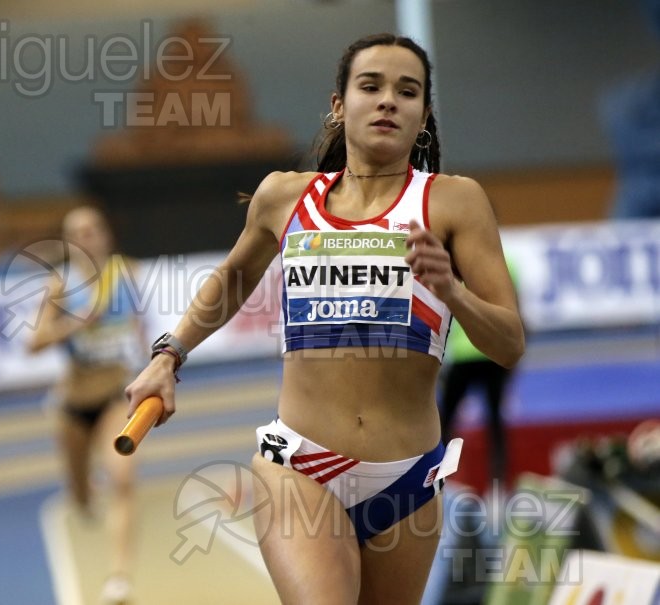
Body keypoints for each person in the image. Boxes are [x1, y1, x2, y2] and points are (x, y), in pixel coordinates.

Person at [125, 33, 524, 604]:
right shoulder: (285, 197)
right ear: (338, 105)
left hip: (406, 479)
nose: (388, 100)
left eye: (407, 91)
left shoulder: (454, 202)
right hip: (301, 467)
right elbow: (235, 278)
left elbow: (509, 342)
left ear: (424, 115)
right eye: (371, 86)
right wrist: (168, 355)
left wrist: (451, 293)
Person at [28, 204, 143, 605]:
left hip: (115, 396)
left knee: (123, 480)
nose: (87, 236)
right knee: (81, 499)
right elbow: (34, 344)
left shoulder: (127, 272)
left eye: (93, 228)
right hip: (73, 407)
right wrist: (78, 323)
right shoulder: (60, 285)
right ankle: (82, 490)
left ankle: (119, 578)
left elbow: (140, 325)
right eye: (77, 231)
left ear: (106, 234)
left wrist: (150, 368)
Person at [439, 260, 519, 488]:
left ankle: (442, 479)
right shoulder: (506, 263)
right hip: (491, 354)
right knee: (495, 421)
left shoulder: (452, 262)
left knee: (446, 422)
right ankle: (499, 482)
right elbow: (516, 313)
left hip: (466, 356)